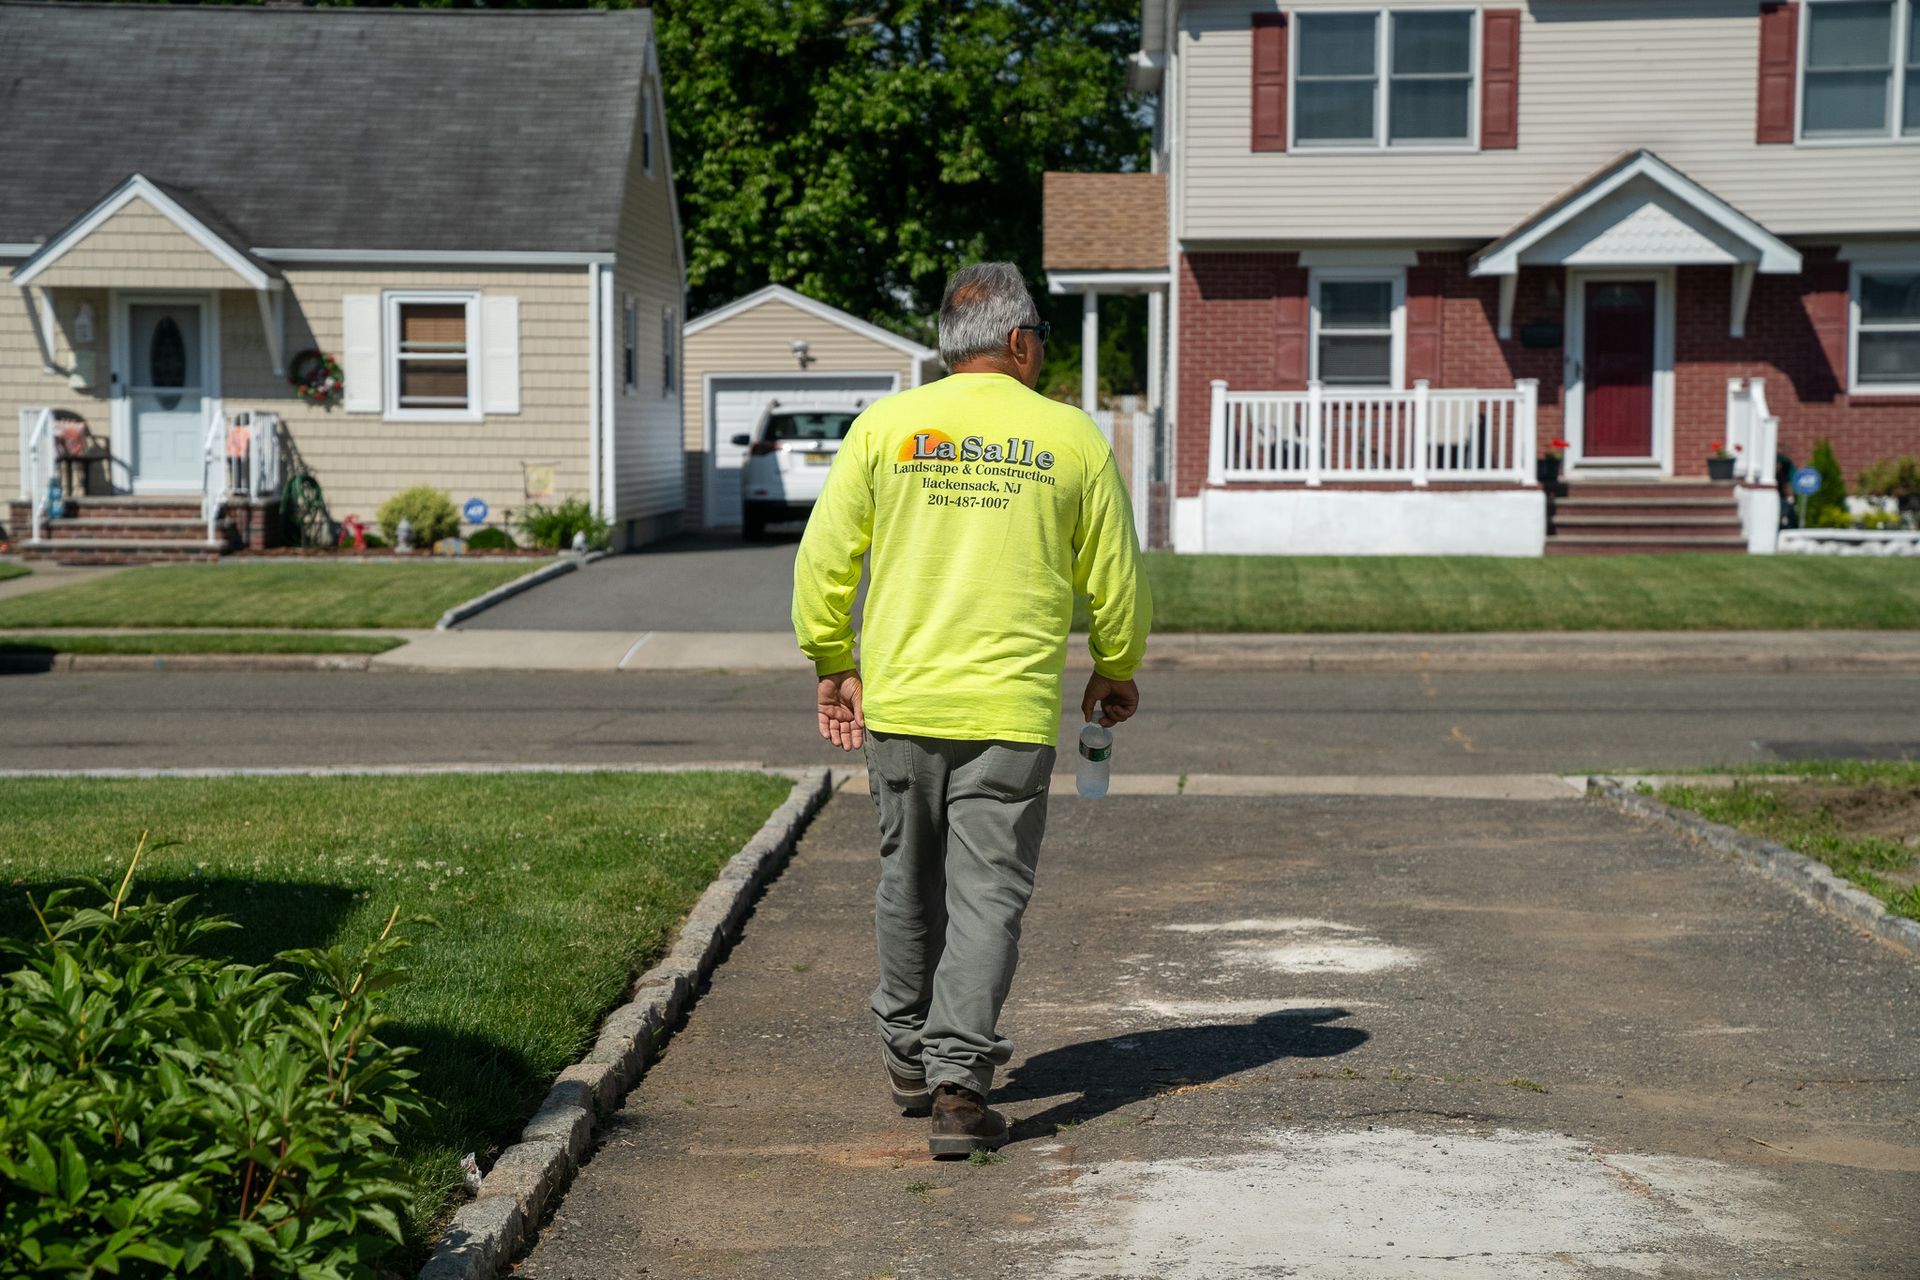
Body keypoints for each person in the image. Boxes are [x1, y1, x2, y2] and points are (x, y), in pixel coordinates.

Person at [792, 262, 1151, 1157]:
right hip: (1009, 714)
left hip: (903, 703)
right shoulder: (1070, 437)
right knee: (987, 896)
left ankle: (908, 1058)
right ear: (1023, 343)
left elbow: (825, 560)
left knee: (905, 881)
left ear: (951, 348)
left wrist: (833, 661)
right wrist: (1116, 666)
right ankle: (958, 1081)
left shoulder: (885, 427)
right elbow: (1114, 576)